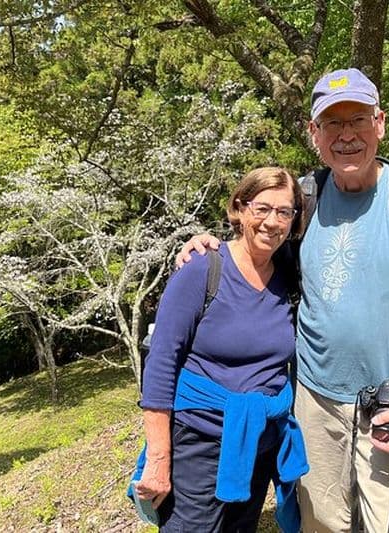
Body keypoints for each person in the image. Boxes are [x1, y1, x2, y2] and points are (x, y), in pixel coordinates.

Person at [177, 68, 389, 532]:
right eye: (332, 123)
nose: (346, 135)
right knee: (319, 525)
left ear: (380, 123)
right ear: (315, 133)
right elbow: (255, 244)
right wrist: (205, 245)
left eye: (357, 119)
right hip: (313, 403)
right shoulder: (303, 199)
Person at [131, 167, 309, 533]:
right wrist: (159, 458)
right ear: (240, 209)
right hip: (199, 442)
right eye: (262, 208)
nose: (272, 222)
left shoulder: (288, 271)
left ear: (293, 221)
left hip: (260, 441)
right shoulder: (202, 268)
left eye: (284, 212)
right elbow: (162, 363)